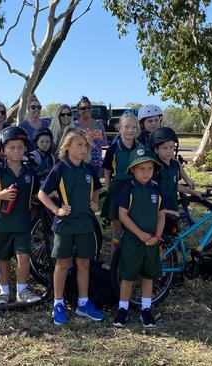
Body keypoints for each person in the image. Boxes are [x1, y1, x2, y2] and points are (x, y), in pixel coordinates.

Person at [38, 127, 104, 325]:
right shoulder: (60, 168)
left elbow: (96, 190)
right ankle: (58, 303)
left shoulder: (89, 169)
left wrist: (94, 202)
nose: (83, 149)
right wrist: (56, 211)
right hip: (65, 225)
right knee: (63, 264)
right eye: (79, 145)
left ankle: (83, 304)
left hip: (85, 224)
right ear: (67, 147)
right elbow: (42, 194)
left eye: (86, 146)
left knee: (84, 263)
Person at [0, 126, 42, 306]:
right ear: (3, 150)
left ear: (25, 149)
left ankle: (22, 290)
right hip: (1, 224)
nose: (16, 151)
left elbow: (39, 193)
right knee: (3, 260)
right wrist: (0, 195)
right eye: (11, 147)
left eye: (20, 147)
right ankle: (4, 291)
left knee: (24, 257)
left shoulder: (29, 172)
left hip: (23, 223)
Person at [113, 148, 166, 328]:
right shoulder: (127, 190)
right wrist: (140, 234)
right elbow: (122, 215)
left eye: (149, 169)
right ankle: (123, 308)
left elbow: (161, 215)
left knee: (148, 275)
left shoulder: (156, 190)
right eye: (141, 168)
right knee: (128, 275)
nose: (146, 172)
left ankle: (146, 309)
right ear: (132, 170)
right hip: (133, 240)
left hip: (151, 241)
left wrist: (157, 236)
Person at [102, 112, 141, 259]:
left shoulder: (140, 148)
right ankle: (113, 261)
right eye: (126, 127)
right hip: (118, 190)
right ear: (120, 129)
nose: (130, 130)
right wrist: (108, 185)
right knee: (117, 231)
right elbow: (106, 169)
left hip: (136, 190)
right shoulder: (113, 148)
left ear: (137, 129)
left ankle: (130, 260)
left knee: (133, 228)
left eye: (133, 127)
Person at [149, 127, 200, 218]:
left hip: (173, 206)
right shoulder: (155, 167)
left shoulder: (174, 164)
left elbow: (173, 186)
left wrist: (191, 190)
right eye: (164, 148)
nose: (169, 151)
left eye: (171, 147)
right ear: (156, 150)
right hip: (158, 210)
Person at [73, 96, 107, 178]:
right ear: (78, 110)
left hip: (97, 166)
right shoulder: (74, 126)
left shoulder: (99, 124)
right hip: (80, 164)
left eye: (89, 107)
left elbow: (104, 143)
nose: (87, 110)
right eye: (83, 108)